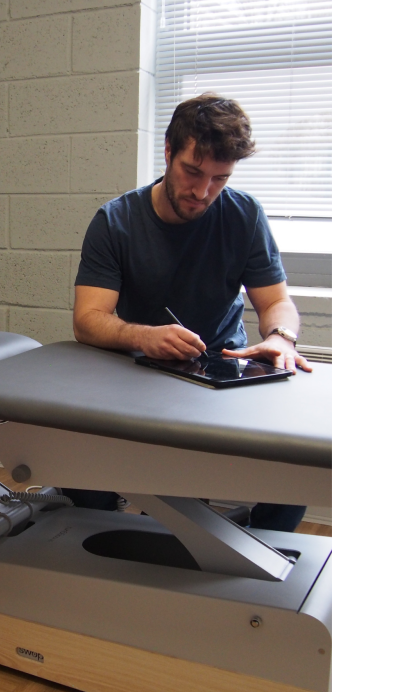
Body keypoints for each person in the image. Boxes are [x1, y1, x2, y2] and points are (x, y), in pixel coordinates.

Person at [71, 93, 311, 532]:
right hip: (140, 371)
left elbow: (277, 303)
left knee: (302, 457)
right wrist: (145, 336)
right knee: (82, 474)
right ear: (168, 152)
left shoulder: (244, 214)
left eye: (220, 178)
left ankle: (263, 544)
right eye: (193, 172)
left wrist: (281, 337)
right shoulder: (116, 221)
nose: (203, 192)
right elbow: (88, 319)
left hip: (222, 370)